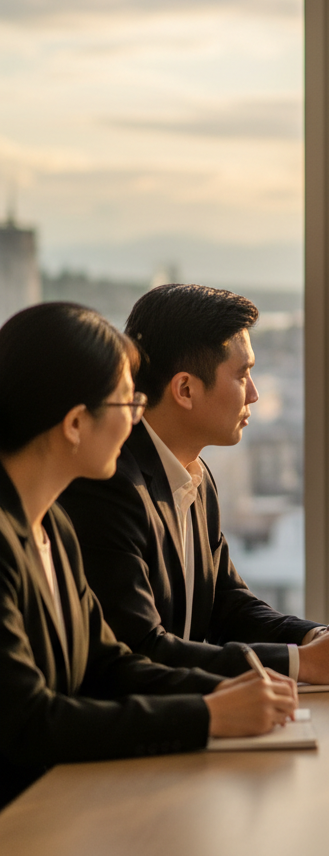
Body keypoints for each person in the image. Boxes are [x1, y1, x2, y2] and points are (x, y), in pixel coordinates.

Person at [0, 303, 297, 809]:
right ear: (75, 424)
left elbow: (107, 663)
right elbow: (28, 723)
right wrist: (208, 715)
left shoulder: (55, 527)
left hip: (64, 806)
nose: (138, 417)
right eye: (126, 403)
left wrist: (227, 695)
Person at [59, 285, 329, 683]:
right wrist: (302, 663)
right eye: (243, 374)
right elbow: (140, 649)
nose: (255, 394)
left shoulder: (196, 475)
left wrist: (315, 636)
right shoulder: (111, 485)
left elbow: (227, 603)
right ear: (185, 390)